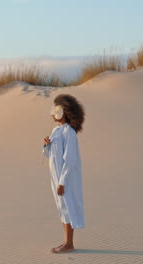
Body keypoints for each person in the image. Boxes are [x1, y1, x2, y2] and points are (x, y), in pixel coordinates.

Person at [42, 94, 85, 254]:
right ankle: (66, 241)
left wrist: (63, 181)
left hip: (65, 179)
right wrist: (46, 145)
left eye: (56, 110)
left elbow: (70, 160)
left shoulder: (69, 133)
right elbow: (49, 156)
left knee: (68, 207)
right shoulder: (56, 131)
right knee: (61, 208)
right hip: (56, 177)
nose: (53, 113)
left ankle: (70, 244)